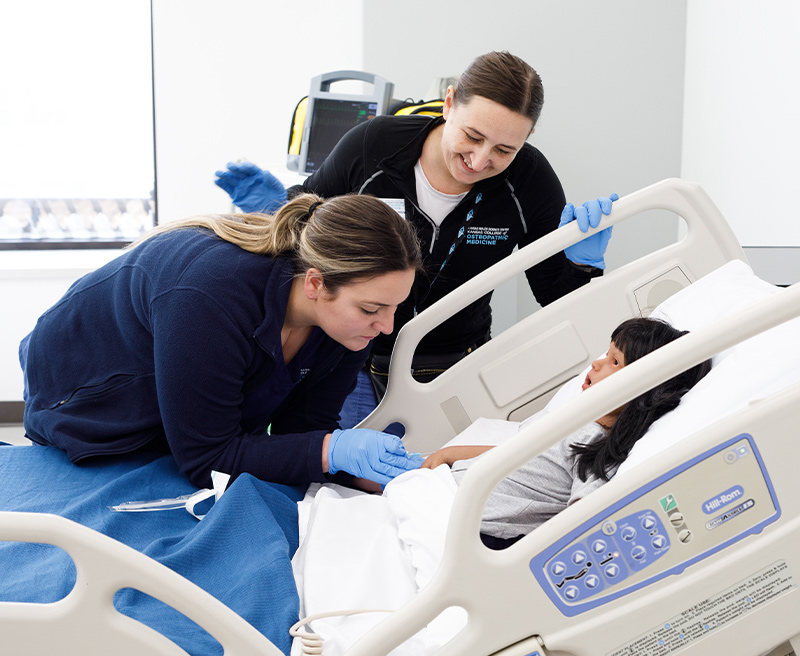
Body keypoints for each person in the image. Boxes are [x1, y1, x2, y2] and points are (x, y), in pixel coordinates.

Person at [215, 51, 617, 428]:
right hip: (348, 355)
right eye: (472, 136)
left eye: (504, 149)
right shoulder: (373, 147)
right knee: (330, 479)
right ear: (449, 102)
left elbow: (555, 294)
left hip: (452, 364)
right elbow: (304, 228)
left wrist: (584, 265)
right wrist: (272, 212)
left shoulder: (529, 182)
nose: (479, 161)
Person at [18, 193, 425, 489]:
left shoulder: (347, 324)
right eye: (372, 310)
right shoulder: (208, 298)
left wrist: (376, 477)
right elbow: (206, 460)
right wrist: (332, 451)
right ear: (316, 283)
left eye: (394, 309)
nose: (386, 327)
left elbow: (303, 431)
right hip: (82, 385)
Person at [420, 317, 712, 548]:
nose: (596, 363)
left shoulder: (597, 446)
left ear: (643, 391)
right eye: (606, 353)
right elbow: (517, 455)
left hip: (471, 527)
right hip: (450, 491)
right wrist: (451, 453)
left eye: (614, 361)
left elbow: (581, 518)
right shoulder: (574, 419)